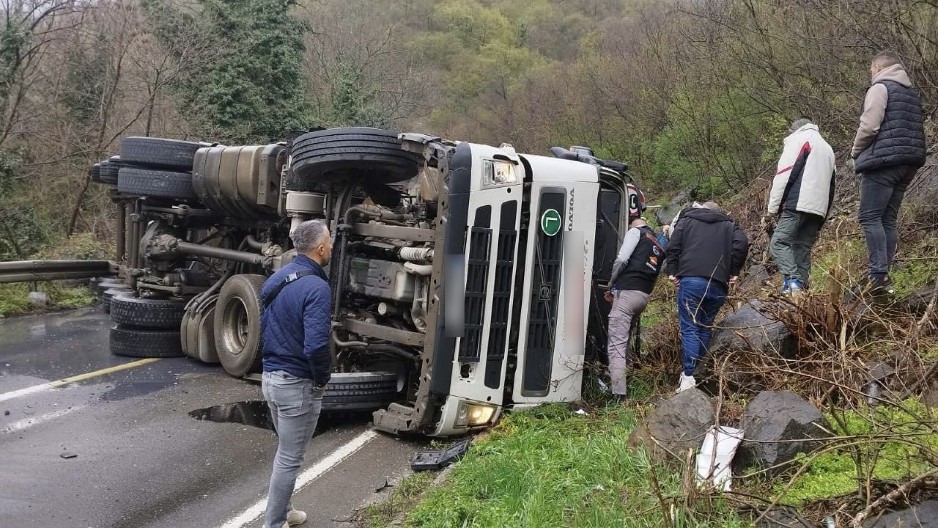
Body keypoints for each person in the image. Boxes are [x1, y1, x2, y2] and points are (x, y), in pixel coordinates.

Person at [260, 219, 334, 528]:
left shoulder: (280, 277)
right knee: (289, 459)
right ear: (319, 249)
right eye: (329, 243)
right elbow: (316, 344)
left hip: (271, 379)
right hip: (296, 384)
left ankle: (286, 510)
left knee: (285, 453)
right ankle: (273, 523)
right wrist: (322, 377)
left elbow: (267, 319)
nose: (331, 247)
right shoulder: (317, 287)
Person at [851, 51, 927, 294]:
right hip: (909, 163)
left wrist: (855, 151)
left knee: (869, 217)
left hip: (883, 162)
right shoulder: (910, 93)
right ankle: (885, 273)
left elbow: (870, 125)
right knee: (887, 219)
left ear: (876, 67)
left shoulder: (880, 87)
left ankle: (878, 275)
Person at [664, 201, 749, 393]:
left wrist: (672, 271)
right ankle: (697, 375)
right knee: (704, 327)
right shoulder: (729, 225)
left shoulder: (687, 220)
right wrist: (733, 270)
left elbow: (673, 246)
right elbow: (741, 244)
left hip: (692, 280)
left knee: (690, 328)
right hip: (718, 284)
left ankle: (689, 376)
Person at [765, 118, 836, 295]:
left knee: (779, 242)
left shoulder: (799, 140)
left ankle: (793, 282)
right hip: (818, 208)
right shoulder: (827, 147)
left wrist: (772, 209)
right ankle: (803, 290)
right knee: (802, 246)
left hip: (797, 203)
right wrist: (824, 213)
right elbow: (832, 184)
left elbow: (785, 174)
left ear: (793, 130)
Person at [603, 216, 665, 399]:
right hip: (643, 296)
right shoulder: (657, 244)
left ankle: (618, 393)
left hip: (627, 293)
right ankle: (626, 377)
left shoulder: (635, 232)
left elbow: (622, 259)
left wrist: (611, 283)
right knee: (625, 339)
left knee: (616, 344)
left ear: (632, 223)